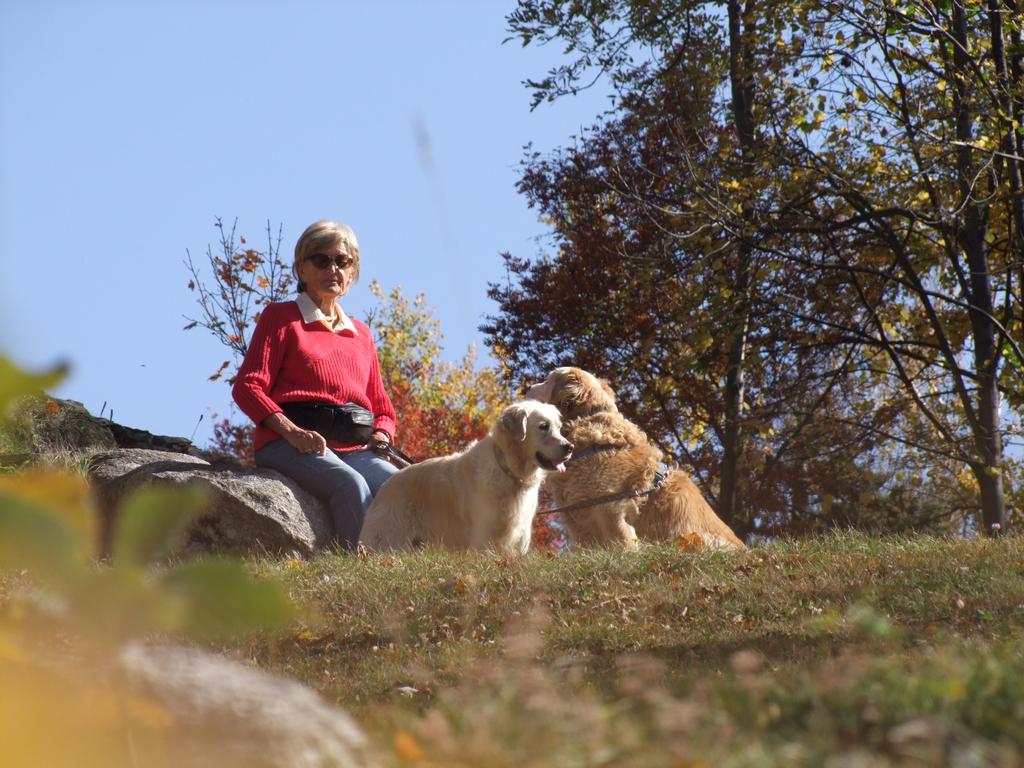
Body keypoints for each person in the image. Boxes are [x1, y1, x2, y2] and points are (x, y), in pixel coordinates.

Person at [232, 219, 399, 550]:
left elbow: (382, 410)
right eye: (321, 260)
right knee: (349, 484)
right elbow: (248, 387)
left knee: (400, 487)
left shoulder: (361, 334)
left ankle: (406, 573)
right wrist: (292, 432)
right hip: (288, 443)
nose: (332, 269)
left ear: (353, 272)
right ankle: (361, 573)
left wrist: (381, 436)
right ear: (301, 269)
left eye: (342, 261)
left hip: (354, 447)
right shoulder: (281, 318)